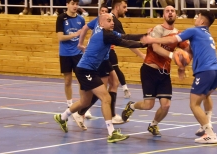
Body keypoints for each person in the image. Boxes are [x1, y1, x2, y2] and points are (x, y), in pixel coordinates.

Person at [53, 13, 147, 143]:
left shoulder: (109, 33)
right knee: (106, 98)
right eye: (109, 20)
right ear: (101, 24)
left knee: (85, 102)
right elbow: (125, 43)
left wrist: (144, 36)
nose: (112, 22)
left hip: (89, 69)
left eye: (112, 20)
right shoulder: (105, 35)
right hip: (86, 70)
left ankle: (62, 117)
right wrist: (144, 44)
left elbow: (126, 36)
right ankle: (111, 132)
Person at [141, 10, 217, 144]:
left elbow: (172, 39)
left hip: (205, 71)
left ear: (202, 21)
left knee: (194, 104)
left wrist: (152, 39)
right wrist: (182, 66)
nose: (196, 18)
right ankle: (207, 123)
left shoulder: (195, 31)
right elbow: (189, 52)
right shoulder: (207, 35)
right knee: (206, 95)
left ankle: (210, 134)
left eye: (198, 16)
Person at [121, 5, 190, 137]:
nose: (170, 13)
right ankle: (132, 106)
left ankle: (153, 125)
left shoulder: (178, 34)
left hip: (165, 73)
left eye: (172, 11)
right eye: (167, 11)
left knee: (166, 105)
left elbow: (187, 51)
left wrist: (183, 66)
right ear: (163, 15)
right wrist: (173, 56)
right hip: (149, 70)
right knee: (148, 105)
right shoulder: (157, 30)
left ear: (176, 15)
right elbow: (156, 48)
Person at [72, 4, 126, 130]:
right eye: (101, 12)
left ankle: (110, 114)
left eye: (106, 12)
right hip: (98, 60)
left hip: (105, 58)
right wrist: (80, 44)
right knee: (100, 93)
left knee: (114, 83)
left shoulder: (111, 23)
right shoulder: (98, 24)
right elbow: (85, 28)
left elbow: (124, 38)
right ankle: (81, 112)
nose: (104, 14)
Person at [55, 0, 92, 121]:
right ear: (67, 4)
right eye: (72, 3)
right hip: (65, 54)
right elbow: (60, 37)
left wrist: (82, 45)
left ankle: (84, 107)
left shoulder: (81, 19)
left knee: (82, 81)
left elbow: (83, 36)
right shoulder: (61, 18)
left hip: (78, 54)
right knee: (67, 80)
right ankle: (70, 104)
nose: (75, 6)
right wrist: (75, 34)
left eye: (76, 4)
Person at [109, 0, 146, 98]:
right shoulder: (113, 21)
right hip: (99, 56)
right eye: (124, 7)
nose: (126, 10)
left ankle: (109, 110)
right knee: (110, 83)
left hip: (104, 54)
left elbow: (126, 39)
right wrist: (142, 53)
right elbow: (127, 42)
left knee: (112, 83)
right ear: (117, 7)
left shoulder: (109, 20)